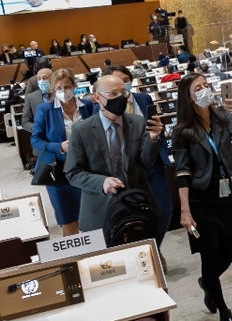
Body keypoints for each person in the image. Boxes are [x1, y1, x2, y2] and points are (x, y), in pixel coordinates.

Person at [173, 72, 232, 321]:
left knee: (229, 251)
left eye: (207, 85)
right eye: (199, 87)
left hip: (225, 192)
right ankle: (224, 314)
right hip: (200, 198)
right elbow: (182, 172)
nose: (205, 90)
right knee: (210, 253)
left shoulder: (223, 117)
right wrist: (184, 210)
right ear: (189, 96)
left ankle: (208, 282)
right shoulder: (182, 130)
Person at [64, 74, 162, 233]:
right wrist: (102, 182)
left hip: (137, 205)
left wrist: (153, 139)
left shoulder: (137, 122)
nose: (121, 98)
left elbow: (146, 162)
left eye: (123, 93)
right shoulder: (82, 130)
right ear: (97, 97)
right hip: (100, 211)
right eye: (114, 94)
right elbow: (73, 173)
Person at [104, 65, 173, 249]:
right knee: (133, 213)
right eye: (117, 82)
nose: (123, 85)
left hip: (152, 163)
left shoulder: (144, 98)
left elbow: (156, 126)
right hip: (127, 169)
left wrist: (161, 148)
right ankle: (145, 252)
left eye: (126, 81)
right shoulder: (105, 106)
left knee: (164, 209)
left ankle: (154, 248)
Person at [32, 68, 96, 236]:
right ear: (53, 89)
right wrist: (60, 146)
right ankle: (73, 261)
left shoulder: (87, 106)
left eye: (67, 87)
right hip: (58, 173)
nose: (63, 91)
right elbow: (36, 140)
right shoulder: (45, 110)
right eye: (59, 88)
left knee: (91, 219)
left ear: (74, 86)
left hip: (85, 170)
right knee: (69, 222)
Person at [21, 65, 53, 134]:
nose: (41, 81)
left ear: (53, 79)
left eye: (44, 78)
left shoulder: (60, 94)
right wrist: (38, 129)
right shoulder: (31, 98)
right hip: (41, 136)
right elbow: (25, 122)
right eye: (39, 79)